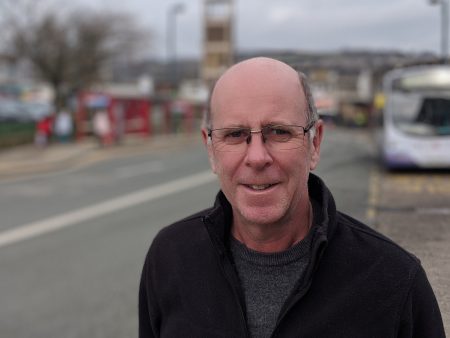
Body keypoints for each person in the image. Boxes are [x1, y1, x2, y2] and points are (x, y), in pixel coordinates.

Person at [139, 57, 445, 337]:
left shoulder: (394, 280)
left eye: (279, 132)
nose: (257, 157)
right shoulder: (169, 258)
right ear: (210, 149)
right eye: (234, 134)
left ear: (315, 144)